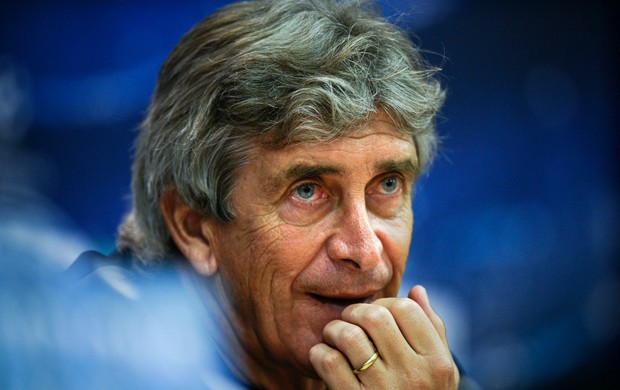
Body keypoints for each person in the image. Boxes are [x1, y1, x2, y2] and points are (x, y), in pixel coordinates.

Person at [69, 0, 475, 388]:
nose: (365, 251)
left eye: (387, 184)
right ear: (193, 226)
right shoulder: (83, 355)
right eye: (307, 191)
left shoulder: (409, 370)